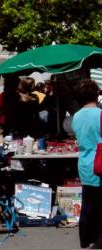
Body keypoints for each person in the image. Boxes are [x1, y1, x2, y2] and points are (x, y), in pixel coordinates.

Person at [71, 79, 102, 249]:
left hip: (84, 163)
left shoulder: (76, 116)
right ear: (95, 94)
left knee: (87, 204)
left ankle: (85, 240)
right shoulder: (100, 114)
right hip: (100, 163)